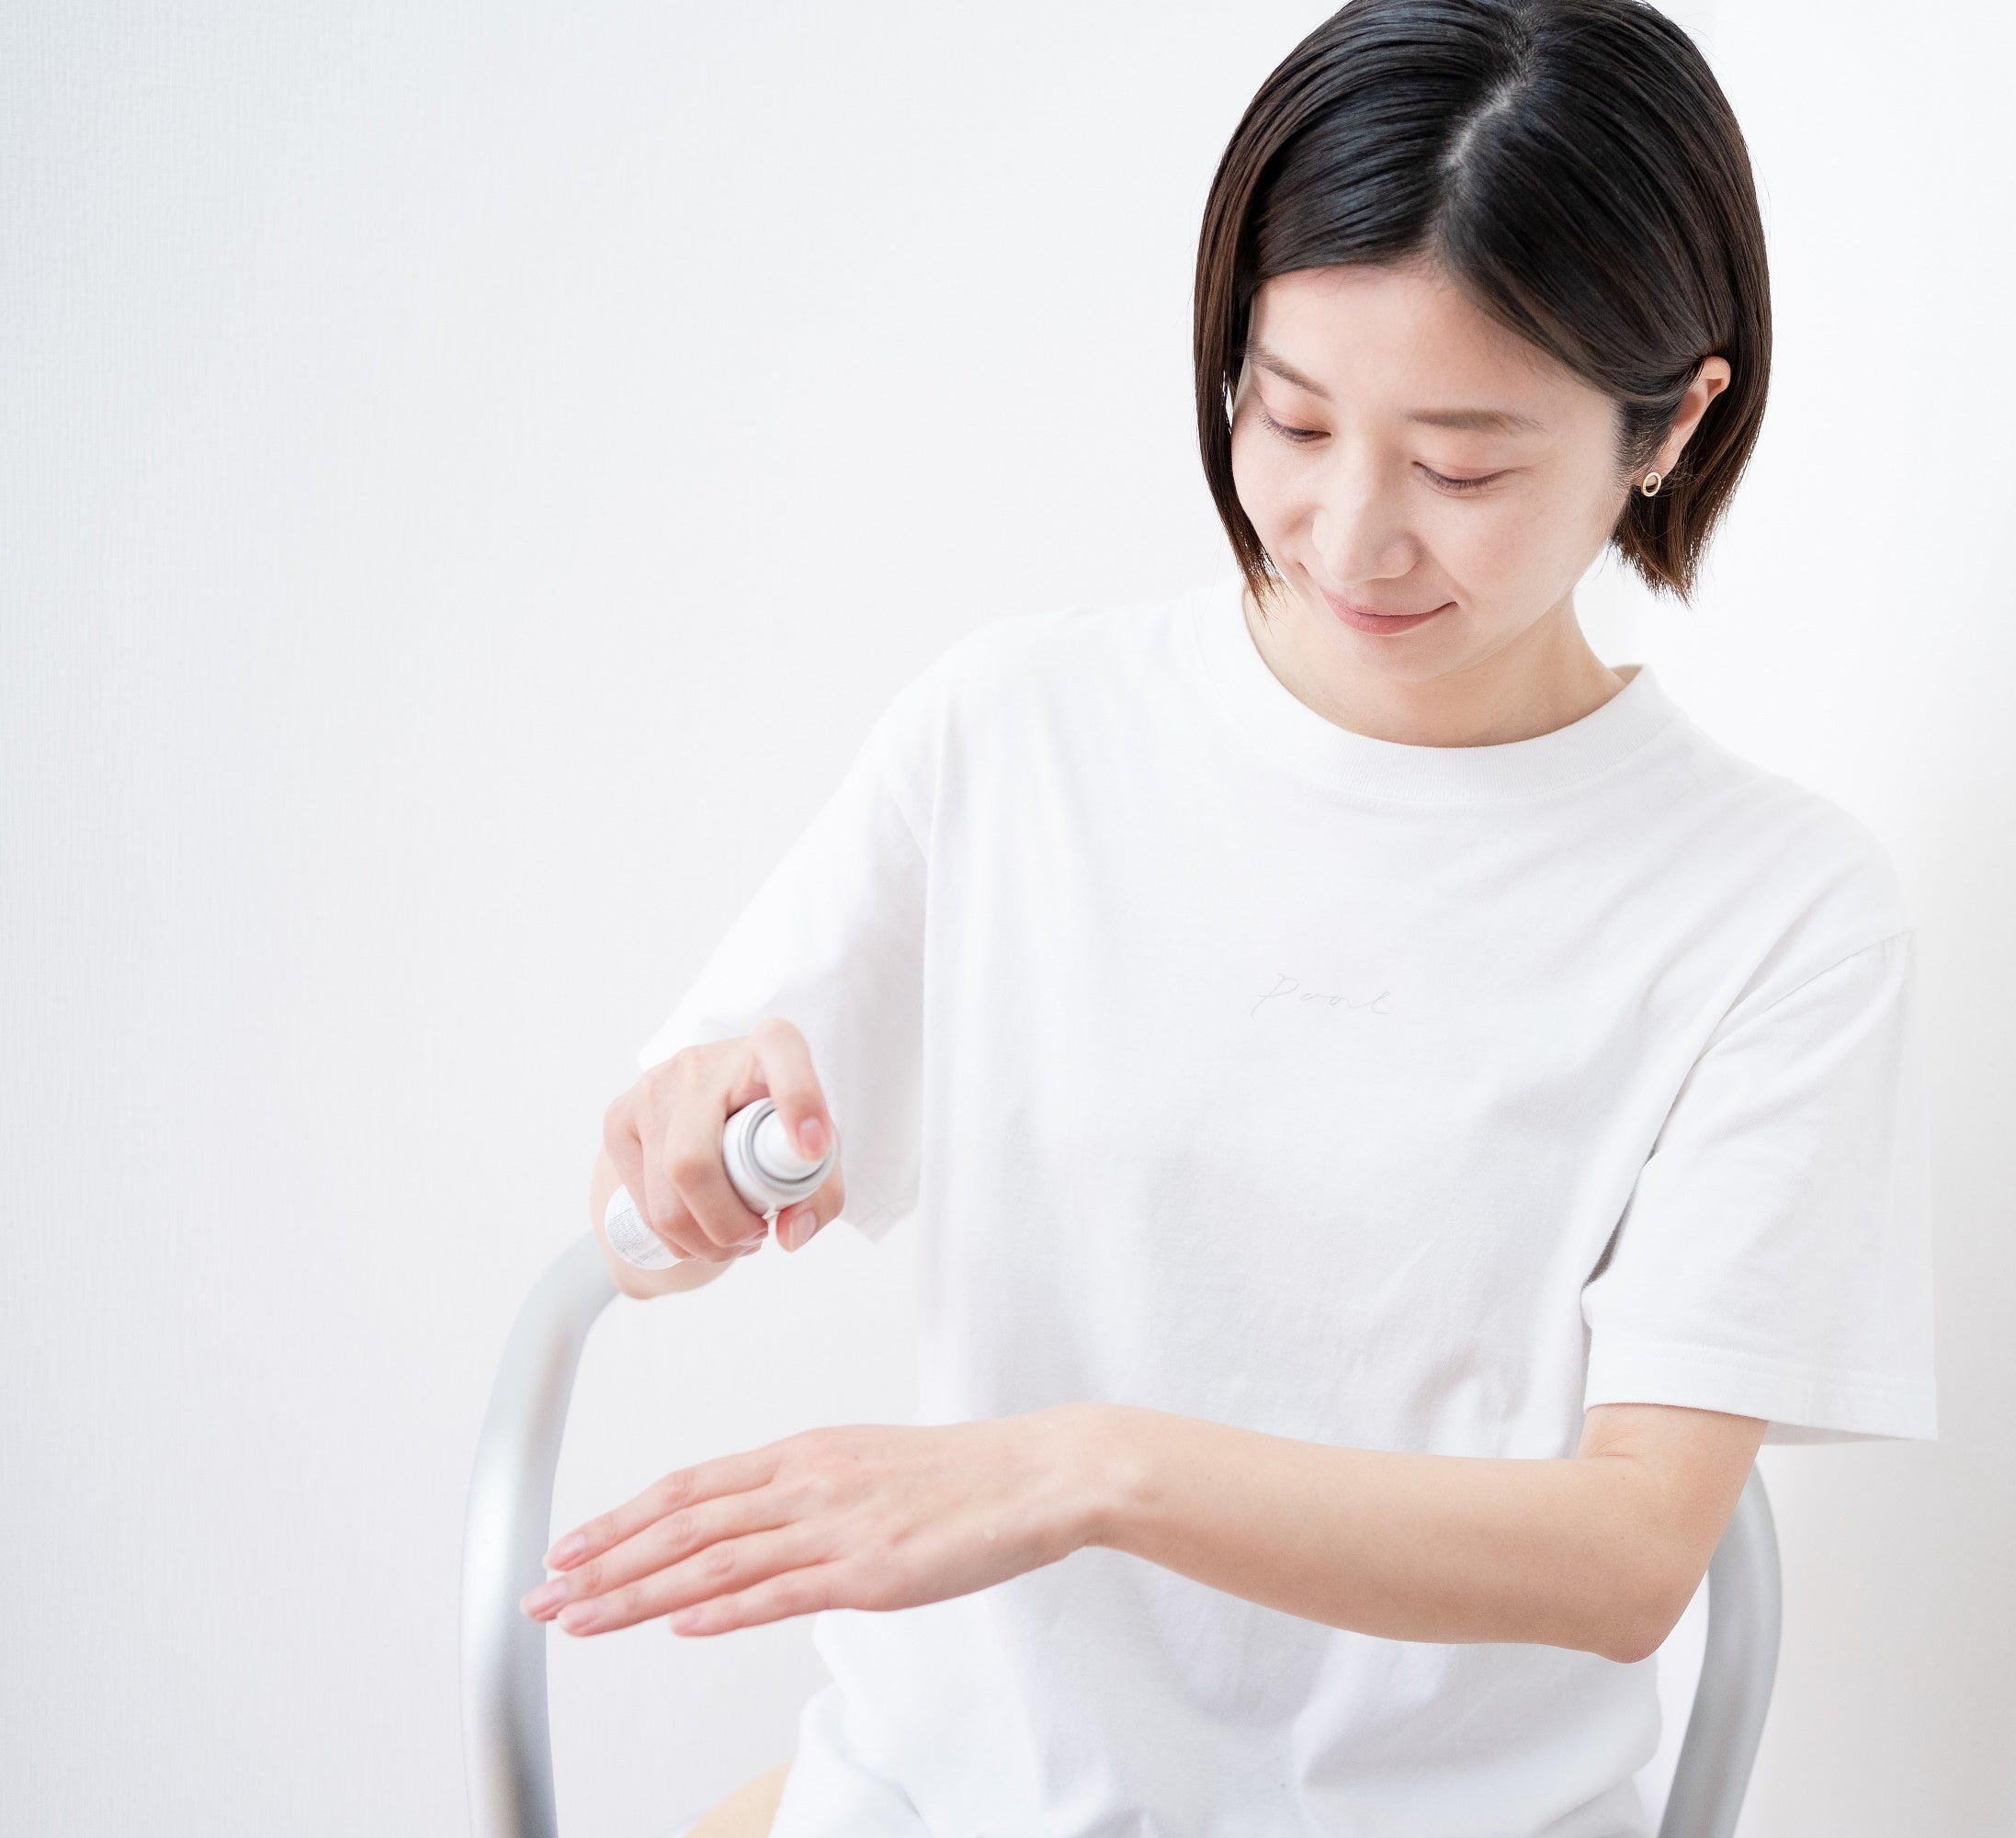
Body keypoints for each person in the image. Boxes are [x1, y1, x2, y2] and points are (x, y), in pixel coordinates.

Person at [518, 2, 1937, 1832]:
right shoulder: (1021, 732)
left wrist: (1090, 1473)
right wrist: (688, 1163)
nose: (1349, 533)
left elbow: (1630, 1553)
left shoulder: (1774, 913)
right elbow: (651, 1230)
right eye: (1293, 417)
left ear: (1673, 422)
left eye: (1464, 466)